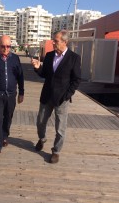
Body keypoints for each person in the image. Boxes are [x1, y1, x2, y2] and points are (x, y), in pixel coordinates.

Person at [31, 30, 81, 164]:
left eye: (56, 41)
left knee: (60, 128)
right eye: (53, 40)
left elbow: (76, 80)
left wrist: (67, 95)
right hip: (46, 96)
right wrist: (37, 68)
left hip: (61, 99)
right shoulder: (49, 55)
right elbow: (44, 74)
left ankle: (56, 151)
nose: (53, 42)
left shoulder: (74, 58)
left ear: (65, 42)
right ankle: (42, 139)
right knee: (40, 122)